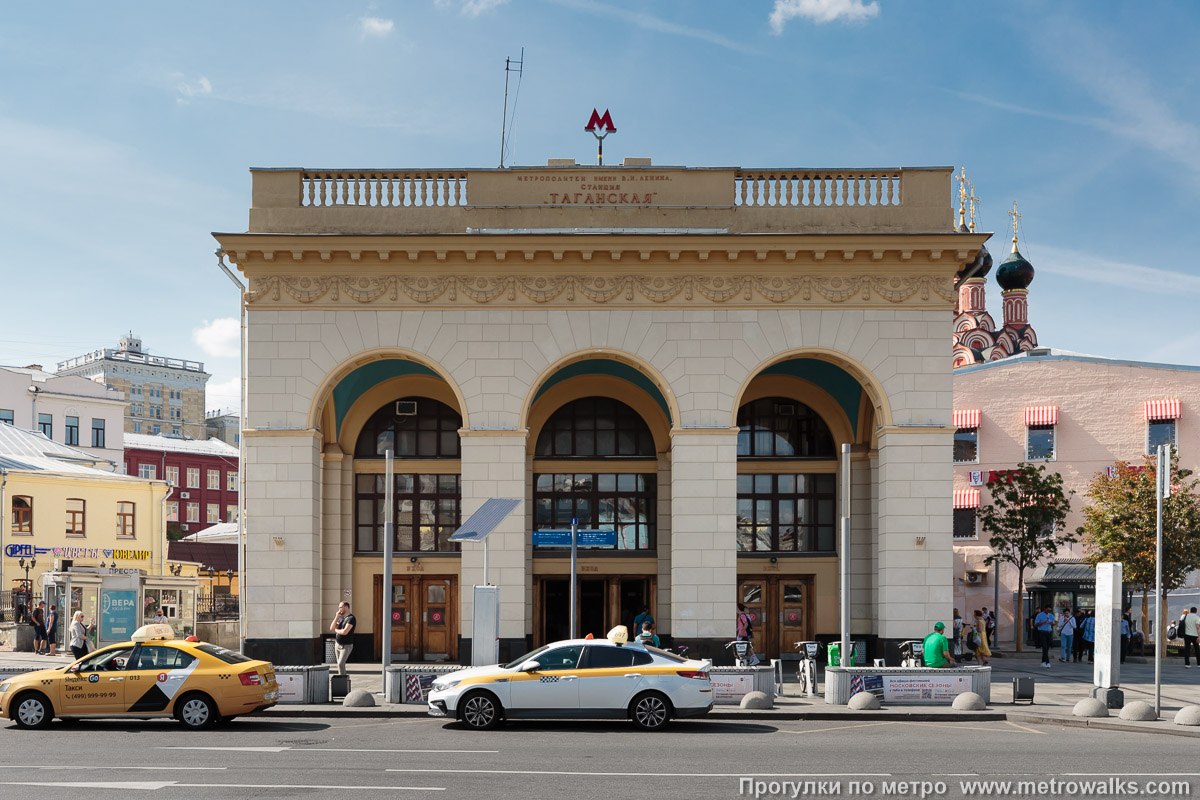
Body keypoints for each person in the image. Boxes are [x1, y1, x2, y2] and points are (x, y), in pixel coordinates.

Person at [330, 601, 356, 676]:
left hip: (346, 645)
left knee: (341, 663)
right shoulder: (341, 619)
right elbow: (331, 628)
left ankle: (343, 679)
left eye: (341, 607)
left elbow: (345, 632)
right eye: (339, 607)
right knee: (339, 664)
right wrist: (336, 617)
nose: (339, 609)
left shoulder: (351, 618)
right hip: (338, 644)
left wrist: (336, 630)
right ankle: (341, 679)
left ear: (346, 607)